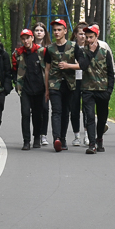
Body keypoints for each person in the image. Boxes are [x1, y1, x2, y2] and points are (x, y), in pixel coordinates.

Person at [76, 25, 115, 154]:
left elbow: (111, 72)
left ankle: (99, 139)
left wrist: (109, 90)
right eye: (86, 37)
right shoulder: (82, 51)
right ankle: (91, 144)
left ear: (96, 37)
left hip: (103, 89)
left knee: (102, 117)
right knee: (90, 116)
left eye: (91, 37)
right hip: (87, 89)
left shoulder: (105, 52)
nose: (88, 40)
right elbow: (83, 65)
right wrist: (90, 53)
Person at [44, 18, 79, 152]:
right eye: (55, 30)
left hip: (69, 84)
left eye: (59, 30)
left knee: (65, 112)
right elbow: (47, 69)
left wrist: (68, 66)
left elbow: (82, 64)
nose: (57, 32)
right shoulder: (50, 49)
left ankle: (63, 138)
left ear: (65, 31)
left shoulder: (73, 46)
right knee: (56, 111)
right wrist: (47, 89)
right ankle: (56, 138)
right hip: (54, 84)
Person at [12, 28, 46, 150]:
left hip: (39, 88)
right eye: (23, 38)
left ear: (32, 38)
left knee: (38, 115)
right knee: (25, 114)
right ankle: (26, 140)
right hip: (25, 89)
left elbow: (48, 68)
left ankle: (37, 137)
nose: (26, 41)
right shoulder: (18, 53)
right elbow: (15, 70)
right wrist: (16, 83)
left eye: (28, 38)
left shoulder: (41, 51)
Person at [32, 22, 51, 146]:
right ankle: (36, 134)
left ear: (45, 33)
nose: (39, 32)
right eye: (37, 30)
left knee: (45, 109)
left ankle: (44, 134)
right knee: (35, 110)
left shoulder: (49, 48)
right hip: (33, 83)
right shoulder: (30, 48)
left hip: (46, 83)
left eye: (41, 30)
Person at [70, 22, 88, 146]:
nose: (82, 36)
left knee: (87, 109)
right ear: (75, 35)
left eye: (85, 34)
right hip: (74, 81)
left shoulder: (90, 48)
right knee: (74, 109)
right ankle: (76, 135)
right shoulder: (71, 48)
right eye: (80, 34)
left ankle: (87, 135)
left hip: (87, 81)